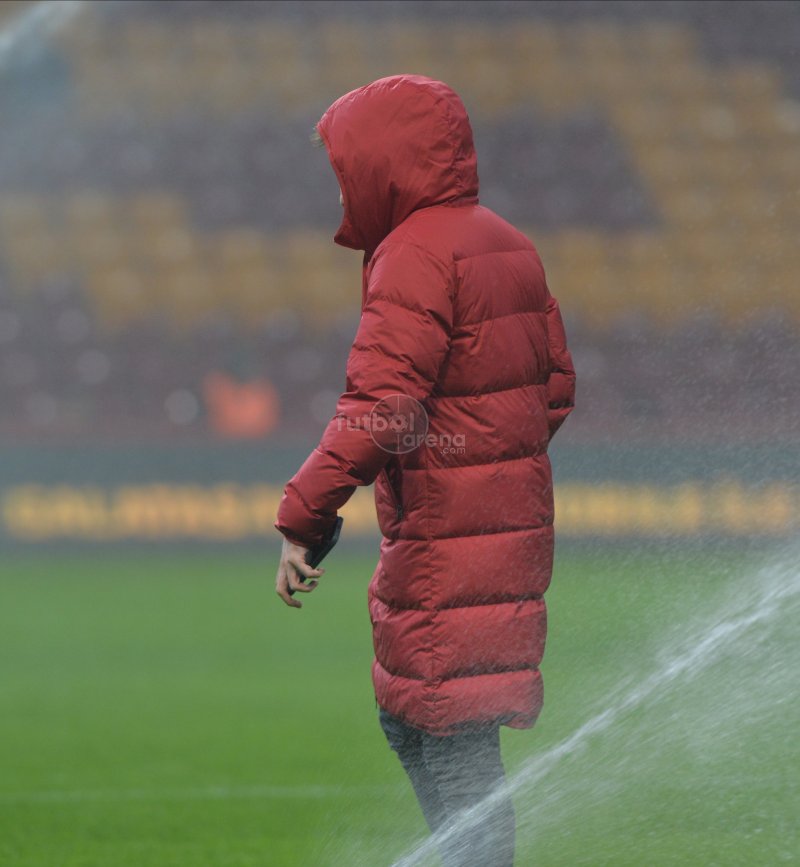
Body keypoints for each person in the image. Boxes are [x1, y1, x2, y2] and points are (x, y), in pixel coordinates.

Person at [274, 74, 575, 867]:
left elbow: (383, 406)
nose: (341, 183)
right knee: (418, 721)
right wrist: (483, 455)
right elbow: (556, 388)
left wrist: (305, 512)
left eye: (345, 164)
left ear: (384, 162)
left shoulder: (413, 253)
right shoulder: (508, 242)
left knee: (448, 741)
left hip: (452, 543)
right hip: (495, 535)